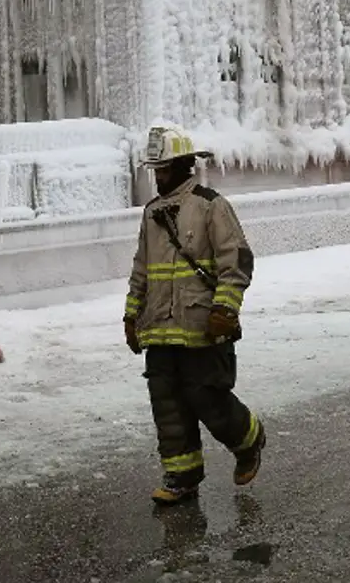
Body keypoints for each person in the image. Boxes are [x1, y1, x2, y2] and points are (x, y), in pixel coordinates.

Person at [124, 124, 265, 507]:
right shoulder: (152, 213)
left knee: (207, 399)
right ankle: (181, 475)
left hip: (202, 328)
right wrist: (131, 316)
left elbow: (236, 261)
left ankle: (249, 439)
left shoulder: (210, 206)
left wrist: (225, 309)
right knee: (167, 405)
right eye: (155, 170)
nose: (158, 176)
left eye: (164, 169)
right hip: (159, 330)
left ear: (185, 166)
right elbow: (142, 270)